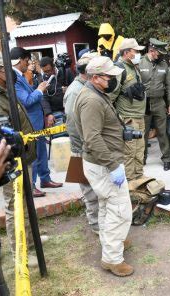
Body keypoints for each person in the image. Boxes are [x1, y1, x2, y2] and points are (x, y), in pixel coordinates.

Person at [74, 56, 133, 277]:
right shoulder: (91, 100)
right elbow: (92, 138)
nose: (113, 80)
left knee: (108, 206)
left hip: (103, 163)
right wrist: (112, 165)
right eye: (109, 77)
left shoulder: (96, 94)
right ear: (96, 78)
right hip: (104, 165)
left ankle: (111, 243)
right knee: (120, 210)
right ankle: (113, 259)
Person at [0, 55, 48, 266]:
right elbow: (2, 135)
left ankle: (29, 240)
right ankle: (20, 253)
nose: (9, 72)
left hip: (23, 155)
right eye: (4, 69)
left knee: (25, 202)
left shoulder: (6, 90)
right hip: (10, 161)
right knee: (14, 206)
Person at [11, 47, 62, 197]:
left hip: (37, 121)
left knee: (41, 152)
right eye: (27, 61)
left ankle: (45, 179)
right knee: (32, 155)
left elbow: (28, 94)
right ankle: (31, 185)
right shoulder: (13, 77)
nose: (28, 65)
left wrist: (38, 87)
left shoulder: (22, 76)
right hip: (29, 123)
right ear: (20, 60)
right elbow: (26, 100)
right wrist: (39, 90)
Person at [64, 51, 99, 234]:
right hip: (81, 149)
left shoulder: (86, 87)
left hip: (89, 146)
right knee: (90, 191)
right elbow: (73, 125)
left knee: (96, 188)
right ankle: (95, 225)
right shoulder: (75, 91)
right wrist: (85, 149)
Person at [140, 38, 170, 171]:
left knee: (162, 131)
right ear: (152, 51)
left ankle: (166, 158)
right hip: (144, 103)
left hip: (159, 102)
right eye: (159, 53)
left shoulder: (164, 65)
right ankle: (142, 158)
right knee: (143, 132)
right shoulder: (140, 63)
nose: (161, 56)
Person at [113, 38, 146, 180]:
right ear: (126, 53)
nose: (139, 54)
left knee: (139, 151)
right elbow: (110, 97)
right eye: (136, 51)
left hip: (139, 117)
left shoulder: (134, 67)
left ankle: (139, 177)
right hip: (128, 118)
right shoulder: (119, 70)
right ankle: (130, 182)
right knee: (129, 152)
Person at [39, 56, 73, 126]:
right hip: (55, 112)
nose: (47, 73)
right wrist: (49, 114)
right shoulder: (42, 78)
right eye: (44, 71)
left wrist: (69, 89)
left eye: (49, 70)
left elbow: (76, 86)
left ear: (53, 66)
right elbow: (44, 97)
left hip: (70, 108)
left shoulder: (66, 71)